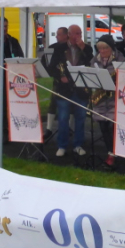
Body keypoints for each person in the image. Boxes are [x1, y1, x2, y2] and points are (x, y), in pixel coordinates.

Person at [49, 24, 94, 157]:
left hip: (81, 89)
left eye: (80, 33)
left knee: (80, 118)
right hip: (64, 89)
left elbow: (91, 63)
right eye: (76, 34)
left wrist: (83, 48)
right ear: (69, 34)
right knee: (63, 118)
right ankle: (62, 145)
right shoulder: (59, 48)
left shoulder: (87, 48)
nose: (78, 36)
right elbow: (51, 67)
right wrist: (60, 76)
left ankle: (78, 145)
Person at [90, 35, 125, 168]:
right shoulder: (94, 60)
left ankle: (116, 152)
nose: (103, 51)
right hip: (100, 99)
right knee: (103, 127)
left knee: (112, 127)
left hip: (114, 99)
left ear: (112, 48)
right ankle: (110, 152)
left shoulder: (120, 59)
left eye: (105, 48)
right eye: (100, 48)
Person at [43, 26, 68, 139]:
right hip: (58, 80)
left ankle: (69, 127)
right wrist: (57, 75)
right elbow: (47, 64)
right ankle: (48, 128)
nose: (56, 37)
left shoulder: (71, 47)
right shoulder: (53, 48)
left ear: (65, 35)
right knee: (53, 103)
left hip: (70, 81)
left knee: (71, 104)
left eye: (59, 34)